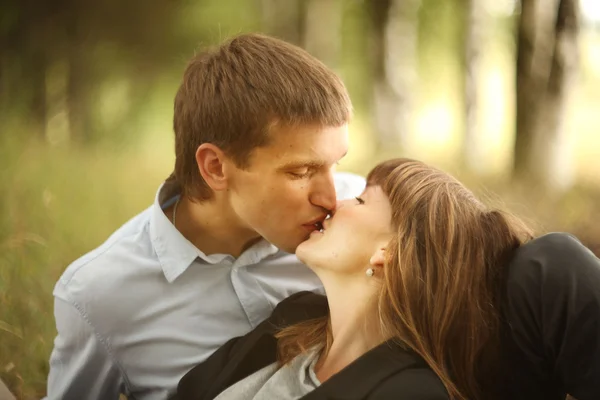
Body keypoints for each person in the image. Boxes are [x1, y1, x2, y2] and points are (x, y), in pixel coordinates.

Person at [45, 33, 366, 400]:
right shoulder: (98, 296)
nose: (330, 197)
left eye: (336, 164)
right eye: (300, 172)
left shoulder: (360, 216)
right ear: (215, 167)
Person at [176, 158, 600, 400]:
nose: (334, 202)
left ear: (389, 252)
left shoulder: (412, 392)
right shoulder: (290, 324)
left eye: (360, 199)